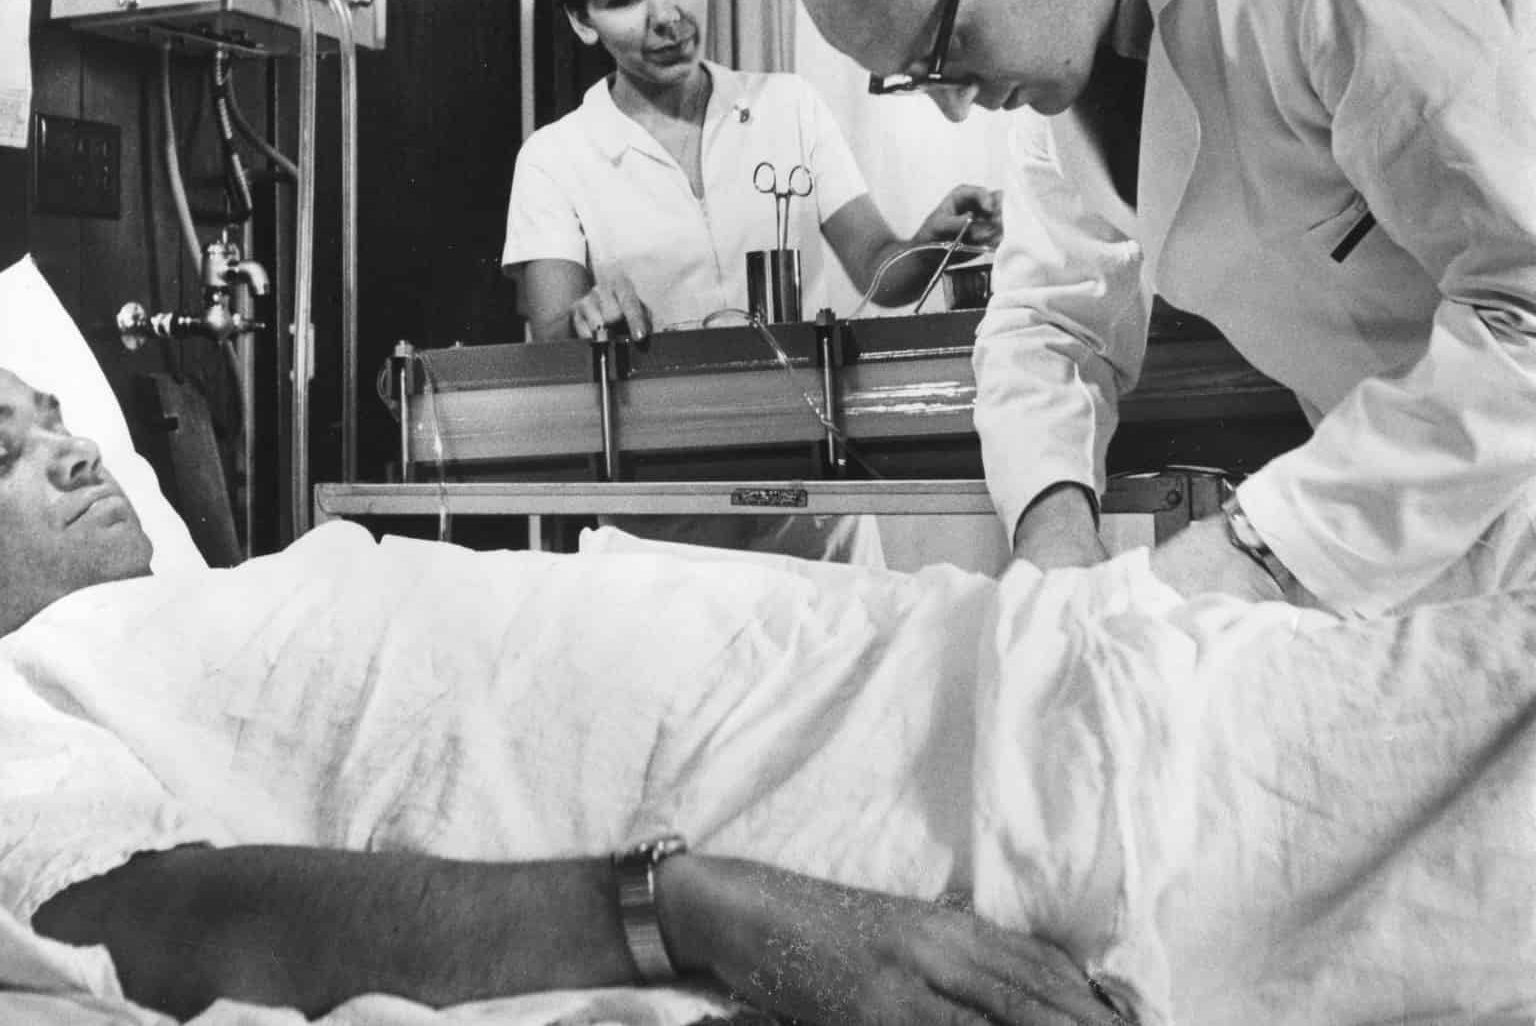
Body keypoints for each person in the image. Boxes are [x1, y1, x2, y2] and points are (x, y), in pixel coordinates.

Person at [5, 365, 1536, 1025]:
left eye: (52, 411)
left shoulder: (206, 602)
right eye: (6, 446)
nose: (73, 445)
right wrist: (693, 909)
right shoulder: (23, 693)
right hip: (939, 804)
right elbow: (154, 922)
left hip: (985, 667)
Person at [758, 0, 1536, 617]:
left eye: (946, 48)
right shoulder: (1053, 82)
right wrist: (1055, 540)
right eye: (915, 80)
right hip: (1390, 537)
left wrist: (1255, 550)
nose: (955, 104)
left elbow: (1524, 306)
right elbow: (1046, 324)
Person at [502, 0, 1002, 565]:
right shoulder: (554, 159)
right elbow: (551, 343)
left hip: (816, 526)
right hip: (659, 538)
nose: (665, 16)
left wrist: (934, 238)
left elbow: (879, 268)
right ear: (581, 19)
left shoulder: (789, 109)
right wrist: (586, 316)